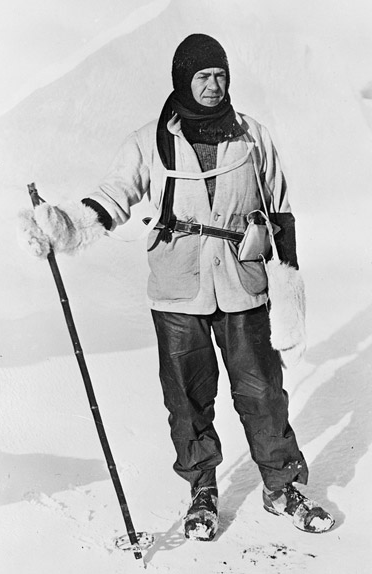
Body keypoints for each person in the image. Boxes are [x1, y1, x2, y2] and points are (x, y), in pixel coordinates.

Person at [19, 34, 335, 540]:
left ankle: (283, 485)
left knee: (262, 393)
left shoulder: (252, 137)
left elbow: (280, 210)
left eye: (220, 76)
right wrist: (65, 225)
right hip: (177, 288)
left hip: (242, 283)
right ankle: (203, 491)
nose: (213, 86)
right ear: (182, 80)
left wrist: (288, 280)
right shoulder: (150, 141)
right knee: (187, 399)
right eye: (203, 76)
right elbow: (114, 195)